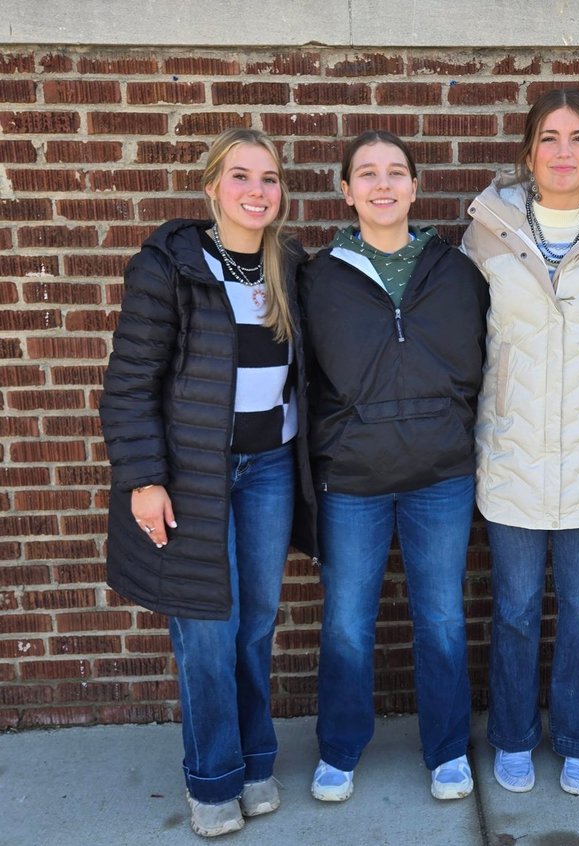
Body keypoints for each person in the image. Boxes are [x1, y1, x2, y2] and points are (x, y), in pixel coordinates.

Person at [100, 127, 314, 837]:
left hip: (270, 471)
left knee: (254, 625)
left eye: (270, 179)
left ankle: (256, 763)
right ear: (213, 186)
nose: (257, 191)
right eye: (242, 177)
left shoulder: (288, 263)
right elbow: (130, 381)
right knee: (204, 629)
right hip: (194, 476)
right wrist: (142, 478)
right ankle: (213, 779)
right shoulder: (172, 264)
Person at [462, 89, 579, 796]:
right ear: (528, 153)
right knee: (512, 609)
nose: (564, 151)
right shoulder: (488, 231)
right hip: (510, 452)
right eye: (549, 137)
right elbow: (464, 332)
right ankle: (513, 735)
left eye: (578, 138)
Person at [301, 130, 489, 803]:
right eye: (367, 174)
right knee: (347, 620)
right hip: (353, 479)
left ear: (415, 186)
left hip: (440, 473)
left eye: (396, 172)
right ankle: (340, 749)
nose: (383, 185)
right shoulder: (316, 277)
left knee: (440, 616)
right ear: (345, 190)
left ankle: (446, 751)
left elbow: (486, 359)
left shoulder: (457, 270)